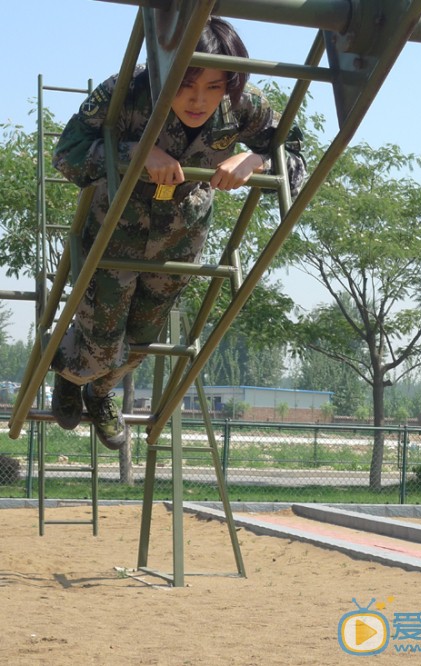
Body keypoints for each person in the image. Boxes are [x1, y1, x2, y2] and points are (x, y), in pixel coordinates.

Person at [50, 16, 306, 450]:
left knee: (143, 339)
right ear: (167, 73)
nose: (198, 100)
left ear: (230, 82)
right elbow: (67, 153)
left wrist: (256, 160)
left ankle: (98, 394)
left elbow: (294, 153)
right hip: (114, 231)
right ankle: (71, 377)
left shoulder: (244, 104)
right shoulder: (127, 90)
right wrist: (136, 153)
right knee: (101, 336)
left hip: (178, 239)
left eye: (213, 86)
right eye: (187, 85)